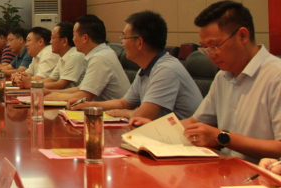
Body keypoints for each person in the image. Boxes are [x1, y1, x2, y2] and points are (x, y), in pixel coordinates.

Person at [133, 1, 281, 163]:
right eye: (205, 48)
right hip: (226, 167)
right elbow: (194, 122)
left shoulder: (276, 76)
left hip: (262, 174)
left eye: (215, 46)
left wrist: (223, 138)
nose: (210, 55)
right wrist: (153, 129)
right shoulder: (223, 76)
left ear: (243, 36)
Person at [69, 11, 201, 120]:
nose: (122, 44)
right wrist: (88, 105)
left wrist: (124, 113)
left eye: (124, 38)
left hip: (181, 139)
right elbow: (123, 103)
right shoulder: (146, 68)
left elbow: (143, 115)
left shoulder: (165, 70)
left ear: (139, 43)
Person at [44, 14, 129, 102]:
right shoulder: (101, 53)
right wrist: (50, 92)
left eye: (74, 35)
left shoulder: (100, 58)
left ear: (85, 38)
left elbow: (84, 96)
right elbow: (81, 89)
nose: (73, 39)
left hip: (113, 110)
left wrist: (54, 96)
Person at [13, 24, 76, 90]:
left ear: (64, 41)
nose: (51, 42)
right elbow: (51, 79)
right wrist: (20, 78)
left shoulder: (73, 56)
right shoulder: (61, 57)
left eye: (53, 38)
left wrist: (29, 83)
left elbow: (60, 84)